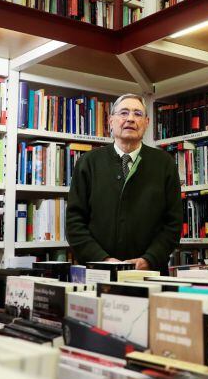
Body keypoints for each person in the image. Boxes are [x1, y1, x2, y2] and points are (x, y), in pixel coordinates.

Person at [66, 93, 181, 275]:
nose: (130, 119)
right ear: (111, 121)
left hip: (150, 273)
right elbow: (74, 223)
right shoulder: (88, 163)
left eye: (137, 114)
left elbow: (173, 224)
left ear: (147, 122)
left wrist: (148, 259)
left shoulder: (164, 163)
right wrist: (103, 260)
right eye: (124, 113)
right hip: (98, 272)